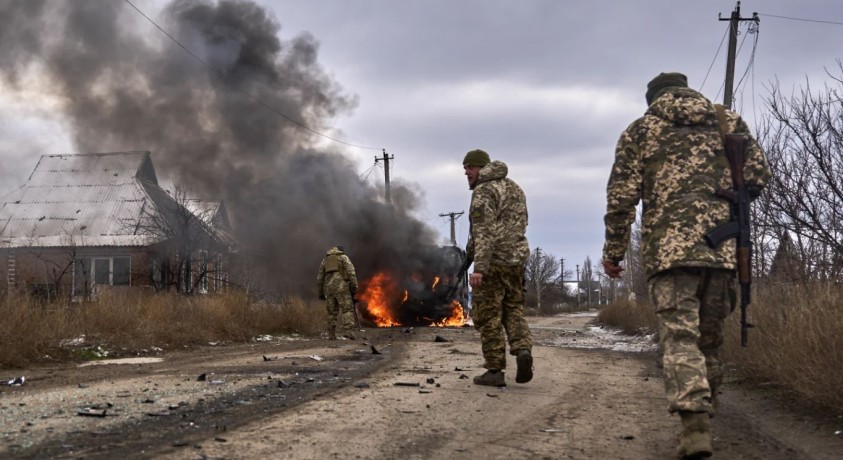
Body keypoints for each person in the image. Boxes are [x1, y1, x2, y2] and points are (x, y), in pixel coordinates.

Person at [602, 72, 771, 459]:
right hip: (723, 252)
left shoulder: (640, 130)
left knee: (680, 339)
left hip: (670, 256)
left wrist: (614, 252)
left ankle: (695, 428)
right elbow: (758, 177)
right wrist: (724, 194)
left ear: (653, 99)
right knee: (709, 342)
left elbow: (621, 199)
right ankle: (706, 417)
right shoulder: (727, 121)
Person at [463, 148, 534, 387]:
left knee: (488, 316)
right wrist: (468, 254)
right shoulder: (515, 188)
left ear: (483, 168)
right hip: (516, 262)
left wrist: (479, 268)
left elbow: (484, 232)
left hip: (492, 263)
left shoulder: (484, 191)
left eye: (470, 167)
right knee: (513, 310)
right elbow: (521, 224)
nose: (466, 172)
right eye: (465, 168)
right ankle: (523, 349)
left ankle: (495, 370)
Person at [316, 245, 359, 340]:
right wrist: (354, 287)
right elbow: (351, 273)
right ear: (340, 251)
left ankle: (331, 334)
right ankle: (348, 331)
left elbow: (320, 278)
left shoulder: (325, 260)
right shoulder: (343, 258)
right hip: (342, 288)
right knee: (347, 309)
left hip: (330, 289)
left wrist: (321, 293)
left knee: (331, 312)